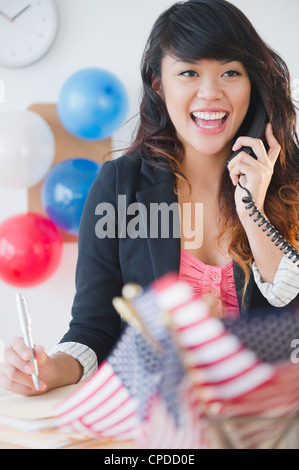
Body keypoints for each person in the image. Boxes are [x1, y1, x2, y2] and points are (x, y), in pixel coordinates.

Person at [1, 0, 298, 396]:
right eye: (189, 72)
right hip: (160, 420)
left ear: (252, 83)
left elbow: (289, 301)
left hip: (267, 419)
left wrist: (251, 207)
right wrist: (51, 368)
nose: (210, 93)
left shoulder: (288, 182)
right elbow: (94, 327)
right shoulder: (120, 186)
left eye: (230, 72)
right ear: (159, 84)